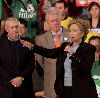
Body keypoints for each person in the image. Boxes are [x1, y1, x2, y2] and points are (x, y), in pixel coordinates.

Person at [22, 18, 98, 98]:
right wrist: (33, 47)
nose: (71, 33)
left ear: (82, 34)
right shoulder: (65, 46)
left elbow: (86, 67)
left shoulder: (89, 48)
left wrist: (73, 55)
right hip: (65, 89)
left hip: (82, 90)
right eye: (70, 30)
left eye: (74, 31)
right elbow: (50, 53)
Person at [35, 7, 68, 98]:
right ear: (47, 22)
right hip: (51, 83)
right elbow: (40, 62)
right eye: (52, 20)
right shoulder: (40, 39)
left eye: (57, 20)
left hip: (70, 82)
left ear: (61, 18)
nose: (55, 23)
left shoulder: (71, 35)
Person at [0, 17, 36, 98]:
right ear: (6, 29)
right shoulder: (0, 43)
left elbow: (32, 64)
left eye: (17, 27)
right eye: (12, 27)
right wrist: (11, 80)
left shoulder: (28, 42)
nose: (15, 29)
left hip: (25, 88)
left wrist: (21, 77)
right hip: (6, 89)